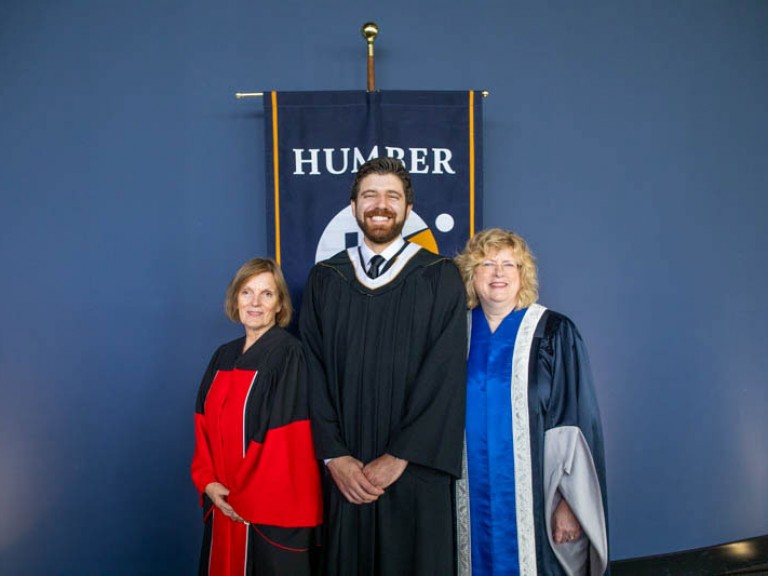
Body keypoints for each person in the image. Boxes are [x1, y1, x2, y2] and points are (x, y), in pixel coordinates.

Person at [300, 157, 468, 576]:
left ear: (408, 210)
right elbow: (312, 369)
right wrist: (335, 457)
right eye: (369, 195)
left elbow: (445, 376)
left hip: (414, 471)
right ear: (354, 207)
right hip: (346, 471)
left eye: (392, 196)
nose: (381, 204)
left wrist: (400, 457)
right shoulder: (326, 278)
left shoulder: (440, 275)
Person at [454, 229, 609, 576]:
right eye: (488, 263)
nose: (498, 273)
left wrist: (570, 503)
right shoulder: (454, 334)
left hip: (537, 501)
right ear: (471, 273)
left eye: (510, 264)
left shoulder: (553, 332)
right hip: (466, 497)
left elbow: (575, 423)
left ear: (523, 275)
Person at [191, 258, 322, 576]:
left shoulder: (289, 354)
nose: (255, 303)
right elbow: (202, 424)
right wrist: (207, 481)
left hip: (268, 513)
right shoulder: (224, 355)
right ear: (235, 298)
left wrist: (242, 499)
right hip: (224, 503)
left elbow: (286, 439)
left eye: (267, 294)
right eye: (247, 292)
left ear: (279, 304)